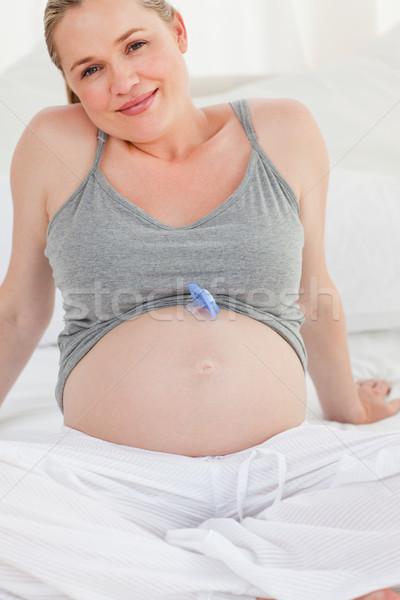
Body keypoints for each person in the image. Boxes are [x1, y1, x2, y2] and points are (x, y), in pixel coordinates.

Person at [0, 0, 399, 598]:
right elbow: (19, 309)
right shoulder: (55, 143)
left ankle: (176, 577)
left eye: (135, 45)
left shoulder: (284, 129)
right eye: (90, 69)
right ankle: (288, 572)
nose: (123, 81)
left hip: (282, 469)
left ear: (178, 31)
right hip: (115, 483)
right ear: (72, 88)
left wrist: (349, 412)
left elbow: (313, 290)